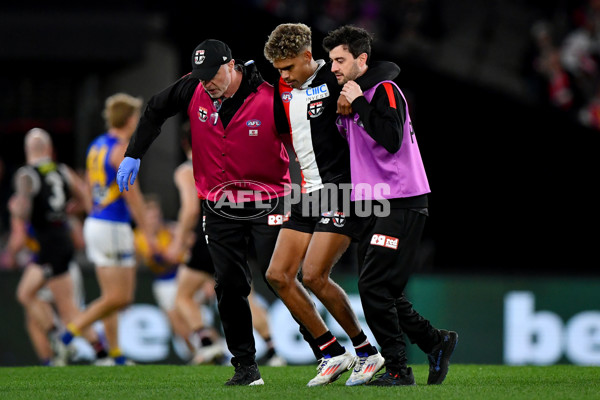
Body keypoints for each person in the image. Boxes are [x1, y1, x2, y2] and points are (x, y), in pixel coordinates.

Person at [116, 39, 308, 385]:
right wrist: (135, 152)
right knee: (229, 285)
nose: (207, 83)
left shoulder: (267, 93)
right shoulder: (194, 87)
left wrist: (316, 184)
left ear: (231, 65)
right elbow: (156, 109)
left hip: (270, 199)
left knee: (279, 276)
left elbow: (301, 141)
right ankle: (246, 367)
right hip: (219, 204)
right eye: (201, 76)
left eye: (213, 75)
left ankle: (326, 351)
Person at [263, 23, 398, 387]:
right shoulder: (282, 88)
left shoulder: (336, 75)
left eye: (289, 67)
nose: (284, 76)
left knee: (314, 275)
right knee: (277, 275)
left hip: (341, 189)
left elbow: (386, 70)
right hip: (307, 192)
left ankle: (367, 353)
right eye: (279, 70)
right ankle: (331, 352)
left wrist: (352, 92)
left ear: (309, 57)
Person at [324, 25, 458, 385]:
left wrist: (359, 102)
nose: (333, 67)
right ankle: (435, 342)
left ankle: (399, 369)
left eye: (340, 60)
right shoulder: (356, 97)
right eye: (331, 61)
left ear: (361, 59)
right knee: (384, 289)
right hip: (373, 205)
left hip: (400, 201)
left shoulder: (384, 90)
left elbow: (393, 139)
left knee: (372, 286)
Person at [61, 93, 153, 366]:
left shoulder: (96, 145)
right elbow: (132, 195)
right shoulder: (121, 148)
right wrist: (147, 230)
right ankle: (67, 334)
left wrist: (92, 213)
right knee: (119, 297)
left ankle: (114, 354)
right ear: (128, 118)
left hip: (96, 222)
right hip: (113, 225)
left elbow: (89, 189)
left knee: (110, 297)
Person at [11, 128, 108, 366]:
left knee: (61, 308)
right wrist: (69, 208)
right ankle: (70, 342)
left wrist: (16, 210)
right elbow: (86, 198)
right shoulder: (62, 170)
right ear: (48, 148)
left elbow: (23, 213)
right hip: (60, 239)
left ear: (28, 150)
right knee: (32, 295)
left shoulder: (26, 174)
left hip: (49, 244)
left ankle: (82, 347)